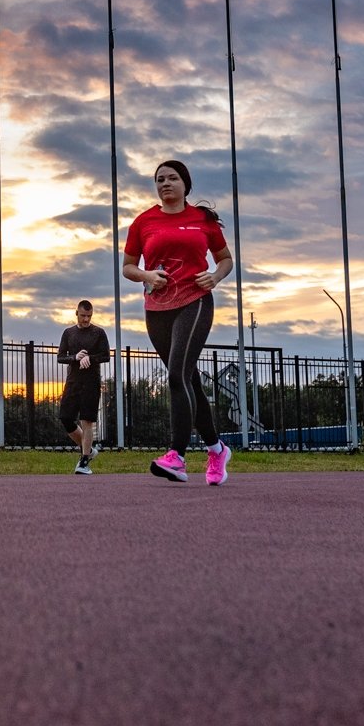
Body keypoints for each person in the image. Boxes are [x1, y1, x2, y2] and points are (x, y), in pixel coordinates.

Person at [122, 159, 235, 485]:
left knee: (175, 376)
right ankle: (217, 449)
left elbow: (225, 259)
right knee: (188, 381)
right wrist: (145, 274)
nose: (165, 184)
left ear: (186, 184)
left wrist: (215, 276)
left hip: (195, 301)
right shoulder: (144, 222)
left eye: (172, 178)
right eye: (159, 180)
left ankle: (177, 456)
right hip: (157, 308)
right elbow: (128, 267)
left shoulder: (202, 220)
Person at [56, 299, 110, 475]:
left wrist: (91, 358)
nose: (86, 319)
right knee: (65, 418)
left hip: (91, 382)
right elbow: (60, 357)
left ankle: (84, 461)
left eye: (89, 316)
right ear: (76, 314)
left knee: (87, 420)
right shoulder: (68, 333)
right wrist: (75, 357)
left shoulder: (98, 333)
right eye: (83, 316)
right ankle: (89, 449)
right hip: (73, 382)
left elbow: (106, 356)